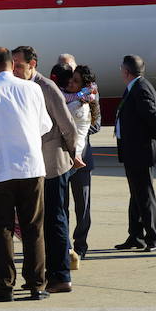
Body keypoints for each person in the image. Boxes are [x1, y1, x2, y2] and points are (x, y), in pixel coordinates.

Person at [0, 47, 53, 302]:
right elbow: (45, 125)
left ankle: (4, 286)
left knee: (1, 228)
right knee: (33, 228)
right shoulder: (32, 89)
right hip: (31, 167)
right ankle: (37, 284)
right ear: (12, 65)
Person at [13, 46, 80, 295]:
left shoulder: (46, 88)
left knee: (55, 220)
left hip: (53, 165)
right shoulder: (21, 87)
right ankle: (49, 272)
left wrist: (73, 154)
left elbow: (68, 126)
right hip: (34, 167)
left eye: (19, 65)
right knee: (40, 223)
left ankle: (61, 275)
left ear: (33, 64)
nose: (15, 69)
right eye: (13, 64)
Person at [115, 55, 156, 252]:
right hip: (132, 151)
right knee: (136, 195)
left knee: (145, 196)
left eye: (121, 68)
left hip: (141, 151)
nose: (120, 71)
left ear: (127, 71)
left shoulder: (141, 88)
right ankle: (135, 236)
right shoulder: (134, 87)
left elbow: (153, 117)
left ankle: (153, 238)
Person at [64, 64, 101, 259]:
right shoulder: (69, 97)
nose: (71, 83)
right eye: (70, 79)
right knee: (63, 206)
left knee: (82, 206)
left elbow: (96, 125)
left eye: (75, 81)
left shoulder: (86, 101)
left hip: (82, 158)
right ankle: (67, 245)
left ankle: (80, 245)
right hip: (65, 159)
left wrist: (81, 130)